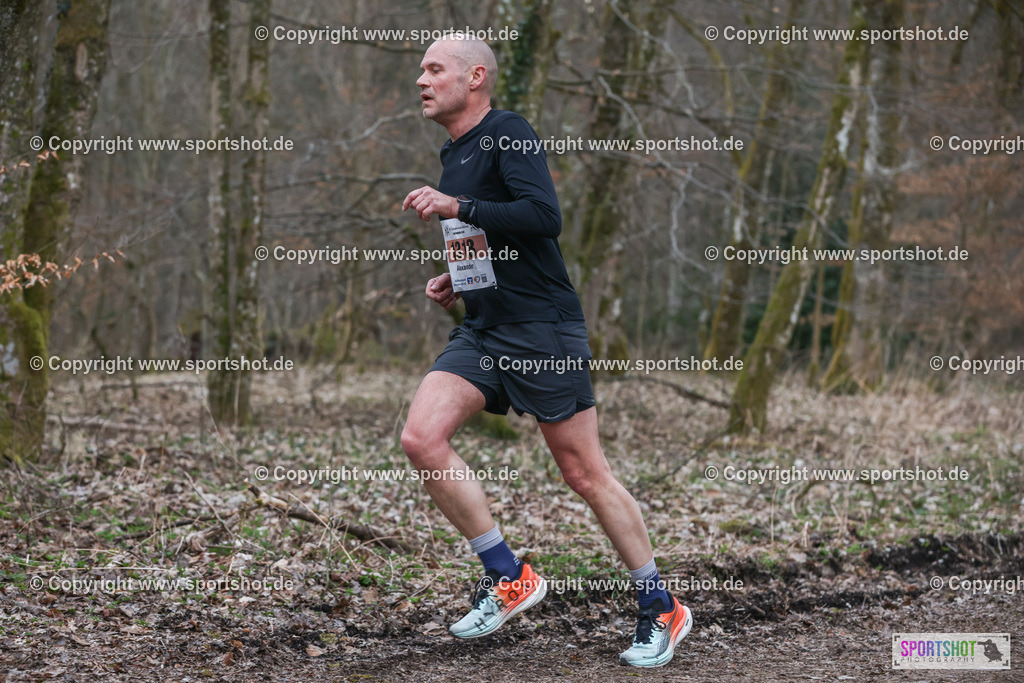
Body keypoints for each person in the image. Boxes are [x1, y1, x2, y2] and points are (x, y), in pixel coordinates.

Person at [400, 34, 691, 668]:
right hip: (487, 325)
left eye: (433, 69)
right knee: (421, 438)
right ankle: (508, 574)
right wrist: (463, 275)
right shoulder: (455, 152)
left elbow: (542, 216)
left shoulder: (509, 132)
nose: (420, 80)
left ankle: (659, 604)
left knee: (584, 473)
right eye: (419, 70)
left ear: (475, 77)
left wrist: (458, 205)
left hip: (542, 330)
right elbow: (492, 231)